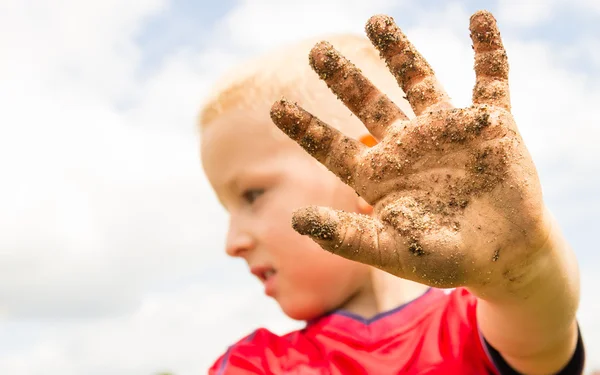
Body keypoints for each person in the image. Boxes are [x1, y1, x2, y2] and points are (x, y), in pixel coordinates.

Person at [199, 10, 585, 374]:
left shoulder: (477, 323)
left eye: (251, 195)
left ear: (371, 166)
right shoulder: (257, 363)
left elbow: (539, 325)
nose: (232, 243)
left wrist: (521, 267)